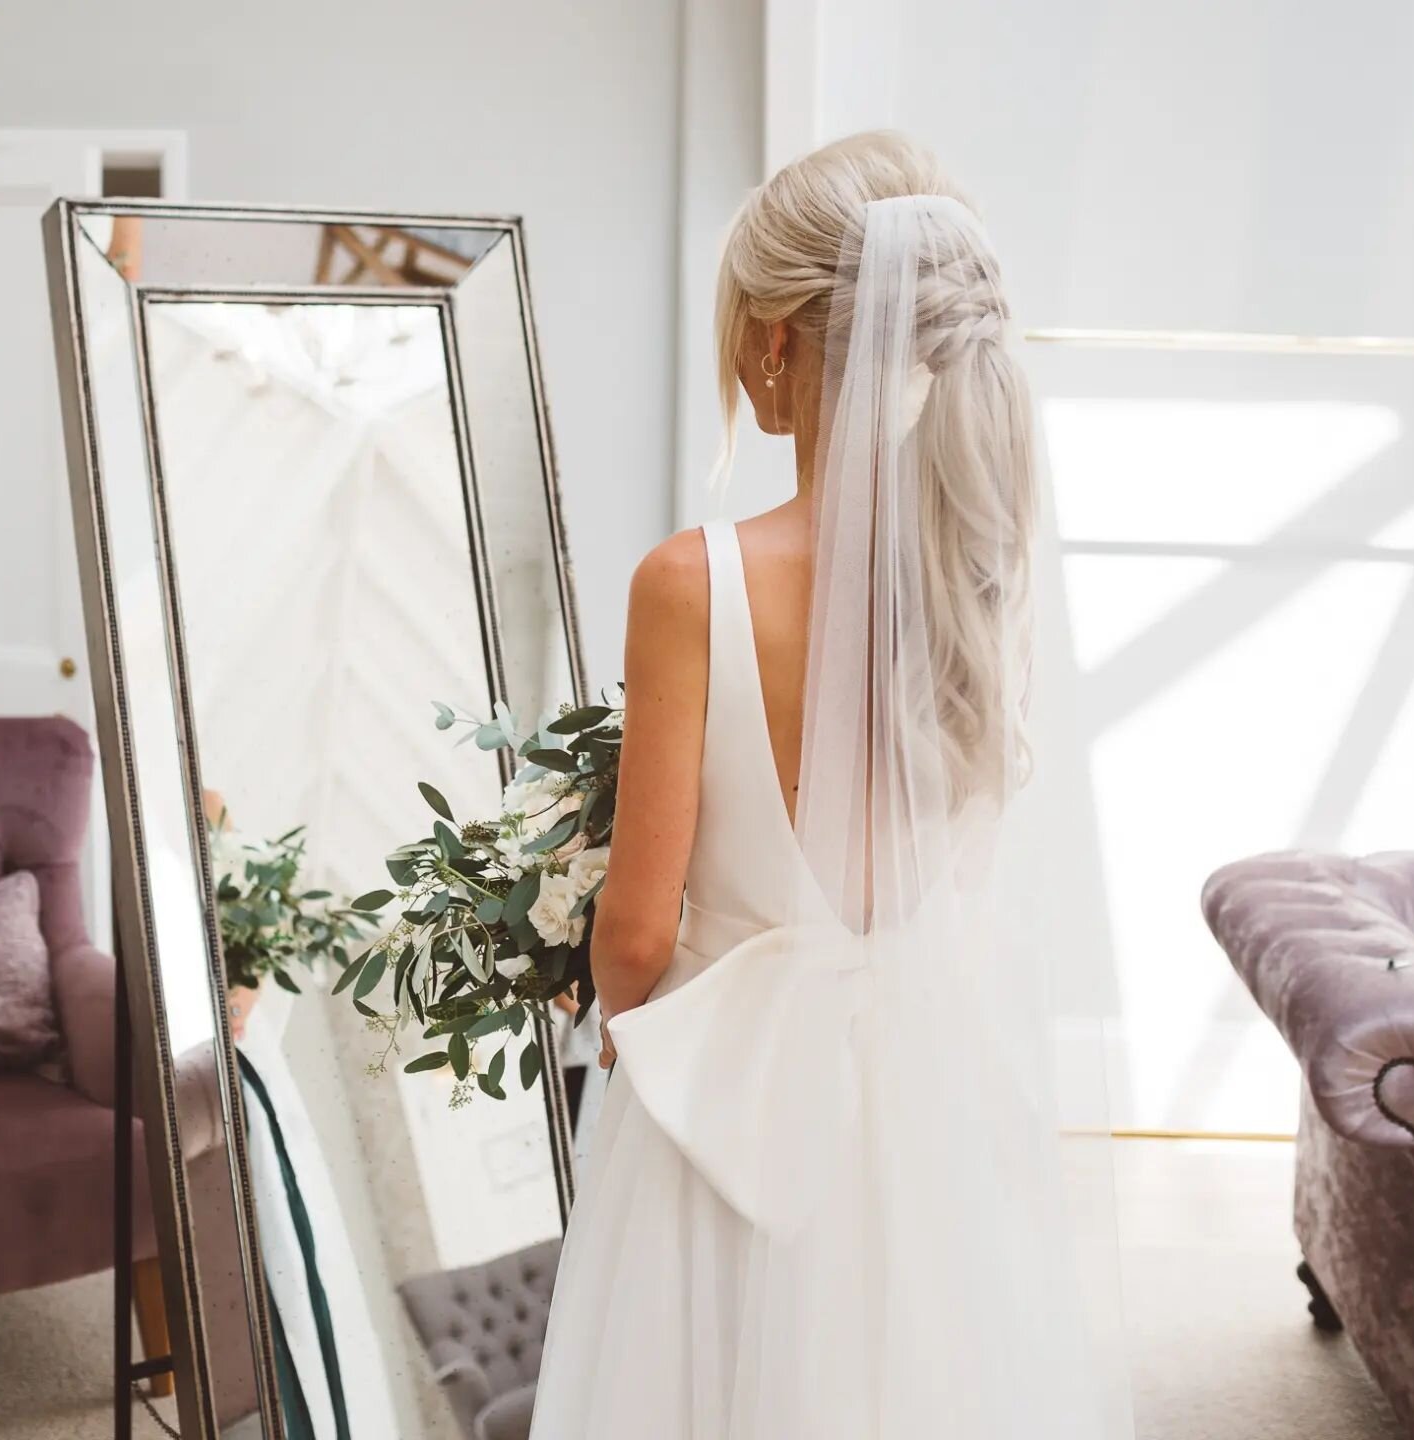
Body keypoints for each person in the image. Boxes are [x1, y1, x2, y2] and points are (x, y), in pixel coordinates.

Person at [529, 131, 1134, 1438]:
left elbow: (633, 935)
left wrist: (619, 1008)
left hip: (730, 1111)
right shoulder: (991, 581)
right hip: (934, 1092)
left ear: (771, 341)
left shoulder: (694, 582)